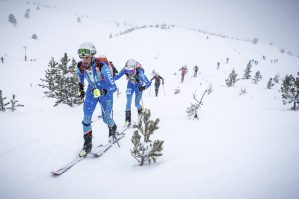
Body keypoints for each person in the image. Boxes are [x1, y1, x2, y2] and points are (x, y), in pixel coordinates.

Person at [76, 42, 118, 157]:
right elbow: (80, 79)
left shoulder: (102, 67)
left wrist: (103, 91)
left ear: (92, 56)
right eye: (82, 57)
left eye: (87, 58)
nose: (84, 60)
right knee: (86, 117)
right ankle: (87, 144)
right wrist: (81, 89)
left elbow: (114, 87)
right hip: (92, 91)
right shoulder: (80, 67)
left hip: (105, 92)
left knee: (106, 118)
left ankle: (113, 128)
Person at [114, 59, 151, 127]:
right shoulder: (125, 69)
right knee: (128, 101)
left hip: (138, 86)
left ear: (134, 68)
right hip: (130, 85)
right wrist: (112, 72)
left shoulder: (140, 73)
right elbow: (116, 77)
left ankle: (140, 115)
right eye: (127, 71)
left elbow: (149, 83)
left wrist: (143, 88)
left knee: (136, 103)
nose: (129, 73)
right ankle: (127, 120)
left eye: (131, 71)